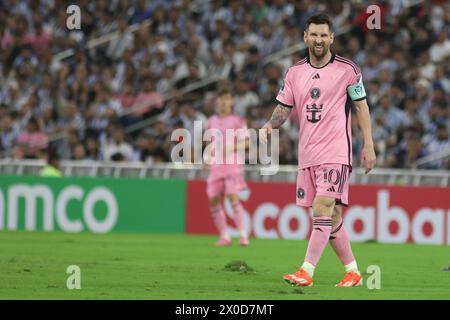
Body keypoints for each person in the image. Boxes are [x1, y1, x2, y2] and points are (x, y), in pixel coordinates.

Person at [259, 13, 376, 287]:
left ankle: (306, 271)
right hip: (308, 155)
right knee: (332, 215)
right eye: (314, 34)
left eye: (324, 35)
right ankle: (354, 272)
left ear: (332, 38)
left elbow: (361, 107)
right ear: (305, 37)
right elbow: (283, 108)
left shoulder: (349, 70)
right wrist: (268, 125)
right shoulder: (294, 72)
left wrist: (368, 145)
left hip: (336, 152)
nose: (319, 39)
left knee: (322, 208)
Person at [205, 88, 250, 247]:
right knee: (213, 200)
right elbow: (210, 143)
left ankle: (243, 236)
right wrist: (207, 156)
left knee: (232, 196)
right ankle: (225, 236)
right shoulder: (211, 121)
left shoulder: (237, 120)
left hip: (233, 166)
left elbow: (247, 142)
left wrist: (231, 147)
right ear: (217, 101)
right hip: (216, 166)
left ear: (231, 102)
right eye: (221, 99)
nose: (224, 102)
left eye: (227, 99)